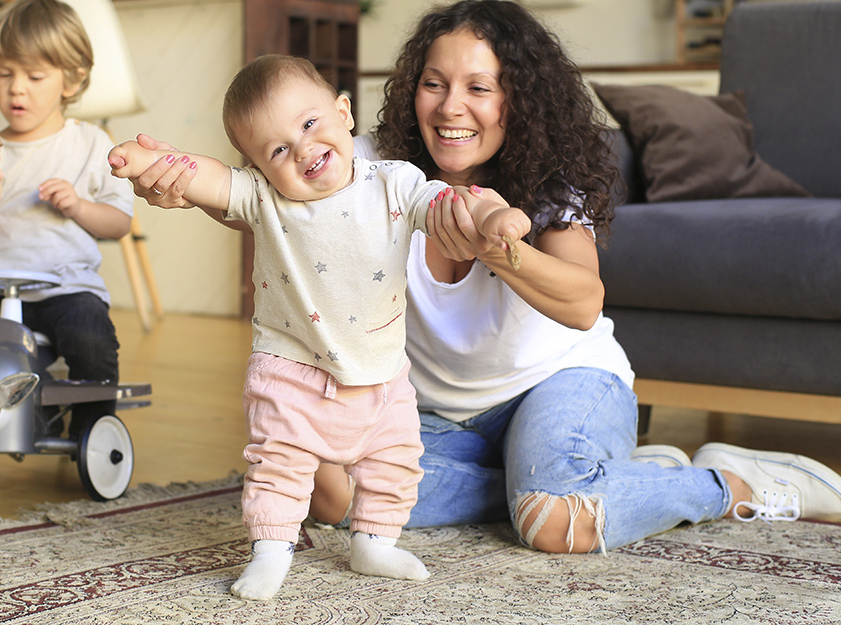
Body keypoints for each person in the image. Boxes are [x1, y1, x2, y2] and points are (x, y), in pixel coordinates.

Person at [125, 0, 841, 556]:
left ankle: (725, 482)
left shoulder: (549, 185)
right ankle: (579, 472)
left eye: (480, 87)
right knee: (335, 495)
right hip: (440, 415)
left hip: (564, 383)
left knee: (551, 523)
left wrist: (499, 249)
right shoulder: (372, 167)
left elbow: (582, 303)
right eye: (434, 83)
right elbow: (277, 206)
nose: (451, 107)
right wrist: (179, 183)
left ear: (517, 98)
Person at [108, 54, 530, 600]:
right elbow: (206, 177)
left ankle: (374, 541)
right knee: (278, 464)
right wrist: (152, 161)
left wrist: (494, 218)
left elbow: (449, 205)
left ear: (344, 112)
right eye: (277, 149)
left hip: (381, 372)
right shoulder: (263, 196)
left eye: (309, 125)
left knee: (396, 460)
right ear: (258, 167)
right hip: (290, 368)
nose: (302, 148)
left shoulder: (395, 184)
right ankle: (271, 549)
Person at [0, 0, 133, 475]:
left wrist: (77, 206)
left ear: (70, 80)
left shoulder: (92, 143)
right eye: (4, 73)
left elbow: (118, 223)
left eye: (35, 76)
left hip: (65, 287)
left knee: (91, 341)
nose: (16, 88)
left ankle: (89, 434)